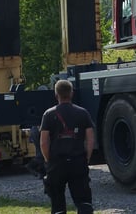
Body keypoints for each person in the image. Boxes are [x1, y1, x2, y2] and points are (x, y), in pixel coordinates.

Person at [39, 79, 94, 214]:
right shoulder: (83, 113)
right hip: (78, 161)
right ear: (72, 93)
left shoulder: (48, 114)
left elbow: (44, 142)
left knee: (57, 203)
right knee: (84, 202)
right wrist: (86, 158)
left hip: (57, 163)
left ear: (56, 95)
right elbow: (90, 139)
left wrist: (48, 159)